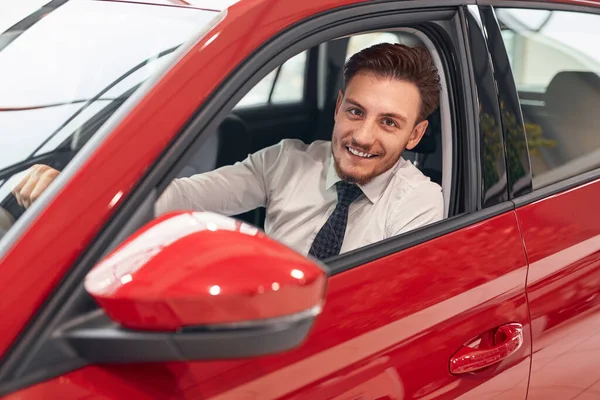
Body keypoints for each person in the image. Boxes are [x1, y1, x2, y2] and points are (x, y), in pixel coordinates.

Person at [13, 43, 444, 260]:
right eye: (355, 111)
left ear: (415, 135)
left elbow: (383, 306)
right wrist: (79, 192)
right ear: (337, 108)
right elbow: (178, 197)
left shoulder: (418, 204)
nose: (363, 136)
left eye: (389, 122)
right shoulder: (287, 160)